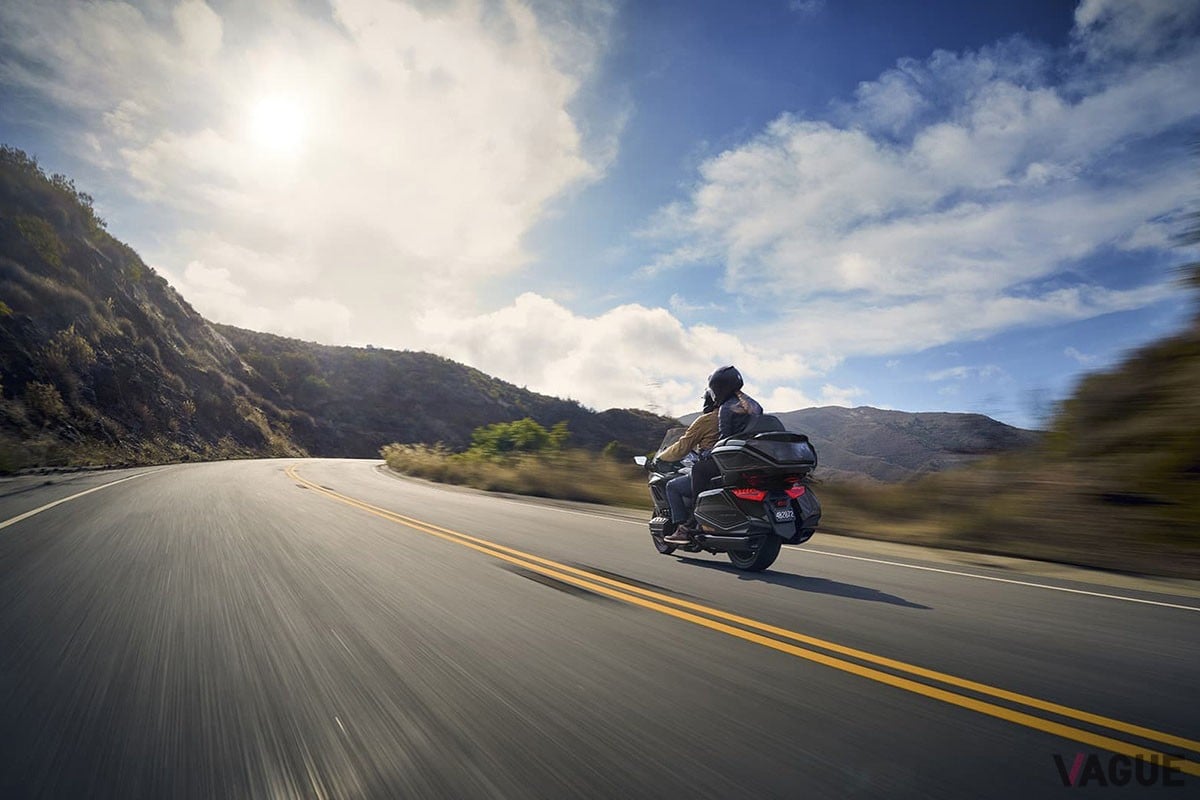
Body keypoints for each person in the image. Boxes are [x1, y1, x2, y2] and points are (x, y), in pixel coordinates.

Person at [665, 365, 763, 544]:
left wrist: (707, 454)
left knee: (699, 471)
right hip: (751, 458)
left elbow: (725, 439)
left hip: (731, 459)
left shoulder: (726, 409)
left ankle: (691, 523)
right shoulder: (753, 404)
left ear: (717, 388)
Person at [654, 390, 719, 536]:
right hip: (729, 469)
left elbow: (683, 446)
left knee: (672, 487)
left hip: (708, 468)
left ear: (710, 401)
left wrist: (662, 457)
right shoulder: (737, 418)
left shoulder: (707, 420)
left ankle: (683, 527)